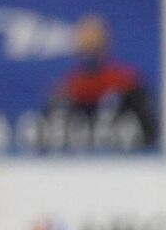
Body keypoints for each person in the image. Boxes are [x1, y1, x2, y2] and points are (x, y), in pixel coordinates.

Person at [40, 14, 156, 150]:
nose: (90, 52)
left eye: (95, 45)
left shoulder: (127, 84)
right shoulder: (66, 89)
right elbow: (48, 132)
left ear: (105, 45)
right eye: (86, 46)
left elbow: (149, 130)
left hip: (121, 159)